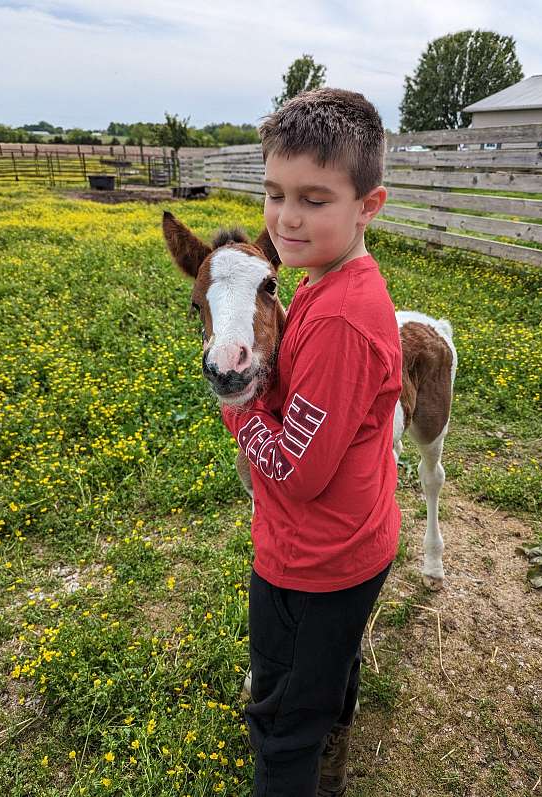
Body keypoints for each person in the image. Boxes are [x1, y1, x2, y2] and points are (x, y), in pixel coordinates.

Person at [221, 87, 402, 797]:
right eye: (274, 192)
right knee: (330, 674)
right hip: (355, 545)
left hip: (311, 564)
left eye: (315, 199)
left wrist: (238, 401)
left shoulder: (339, 321)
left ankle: (303, 768)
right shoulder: (327, 284)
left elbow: (295, 470)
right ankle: (329, 761)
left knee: (283, 723)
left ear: (368, 205)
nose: (286, 218)